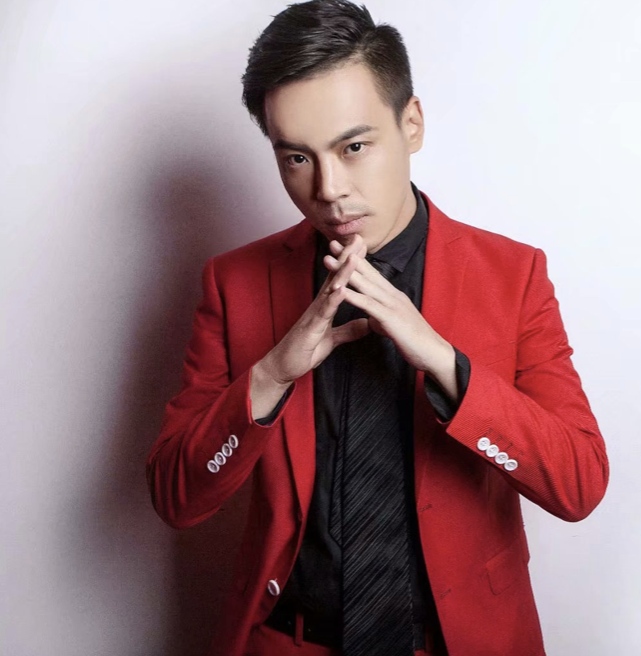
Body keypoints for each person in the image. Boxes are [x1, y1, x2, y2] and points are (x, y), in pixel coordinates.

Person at [145, 1, 609, 654]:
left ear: (411, 123)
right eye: (297, 158)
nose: (329, 188)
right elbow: (176, 496)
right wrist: (272, 373)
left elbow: (579, 484)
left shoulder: (513, 277)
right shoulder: (235, 284)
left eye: (354, 147)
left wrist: (447, 364)